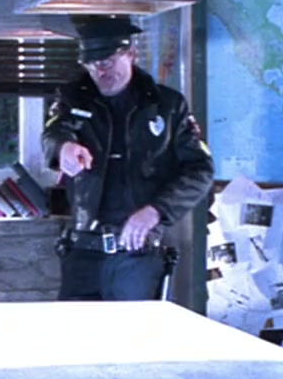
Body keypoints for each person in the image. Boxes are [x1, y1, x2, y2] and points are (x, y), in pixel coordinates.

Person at [42, 16, 214, 301]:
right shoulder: (73, 98)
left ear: (130, 55)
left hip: (137, 251)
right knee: (74, 329)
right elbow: (55, 131)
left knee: (132, 329)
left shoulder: (167, 106)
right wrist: (63, 148)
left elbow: (200, 170)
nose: (99, 72)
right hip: (83, 250)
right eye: (90, 65)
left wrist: (157, 210)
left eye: (107, 62)